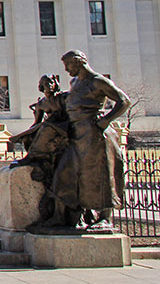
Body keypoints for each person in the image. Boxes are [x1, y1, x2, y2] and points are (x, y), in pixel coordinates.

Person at [46, 50, 130, 229]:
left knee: (100, 175)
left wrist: (106, 120)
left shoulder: (97, 81)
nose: (67, 70)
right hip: (75, 133)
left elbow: (124, 101)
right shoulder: (75, 82)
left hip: (94, 134)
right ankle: (62, 216)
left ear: (78, 63)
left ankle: (105, 218)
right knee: (64, 172)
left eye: (68, 65)